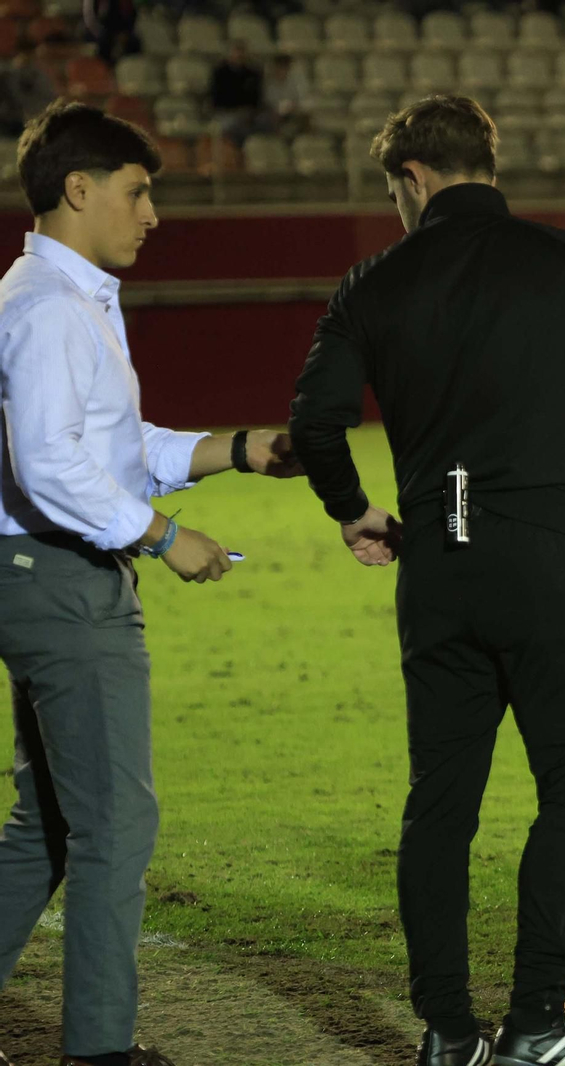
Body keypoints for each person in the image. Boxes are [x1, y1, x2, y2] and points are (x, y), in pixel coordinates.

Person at [287, 94, 565, 1066]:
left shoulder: (373, 280)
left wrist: (352, 509)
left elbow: (316, 420)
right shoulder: (562, 260)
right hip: (546, 553)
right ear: (485, 160)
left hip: (438, 562)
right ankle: (536, 1020)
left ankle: (448, 1031)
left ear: (410, 179)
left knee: (440, 804)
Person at [0, 100, 302, 1066]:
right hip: (62, 582)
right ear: (77, 190)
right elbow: (51, 463)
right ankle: (97, 1052)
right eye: (137, 194)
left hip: (36, 572)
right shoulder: (49, 306)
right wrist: (160, 536)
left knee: (45, 823)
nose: (153, 216)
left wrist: (245, 451)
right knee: (115, 825)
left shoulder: (58, 295)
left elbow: (120, 448)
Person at [208, 41, 262, 147]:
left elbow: (256, 98)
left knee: (264, 122)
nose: (239, 55)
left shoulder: (252, 73)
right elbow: (216, 98)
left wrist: (249, 111)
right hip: (226, 113)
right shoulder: (220, 72)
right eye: (236, 51)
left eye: (241, 51)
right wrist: (235, 110)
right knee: (232, 128)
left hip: (248, 115)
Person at [0, 47, 62, 138]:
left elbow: (50, 98)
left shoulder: (41, 75)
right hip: (11, 120)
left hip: (32, 120)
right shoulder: (9, 73)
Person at [261, 54, 309, 138]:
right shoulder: (268, 84)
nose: (281, 70)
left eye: (284, 67)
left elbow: (301, 98)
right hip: (274, 114)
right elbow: (268, 101)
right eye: (279, 67)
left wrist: (293, 106)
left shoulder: (296, 81)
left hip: (293, 112)